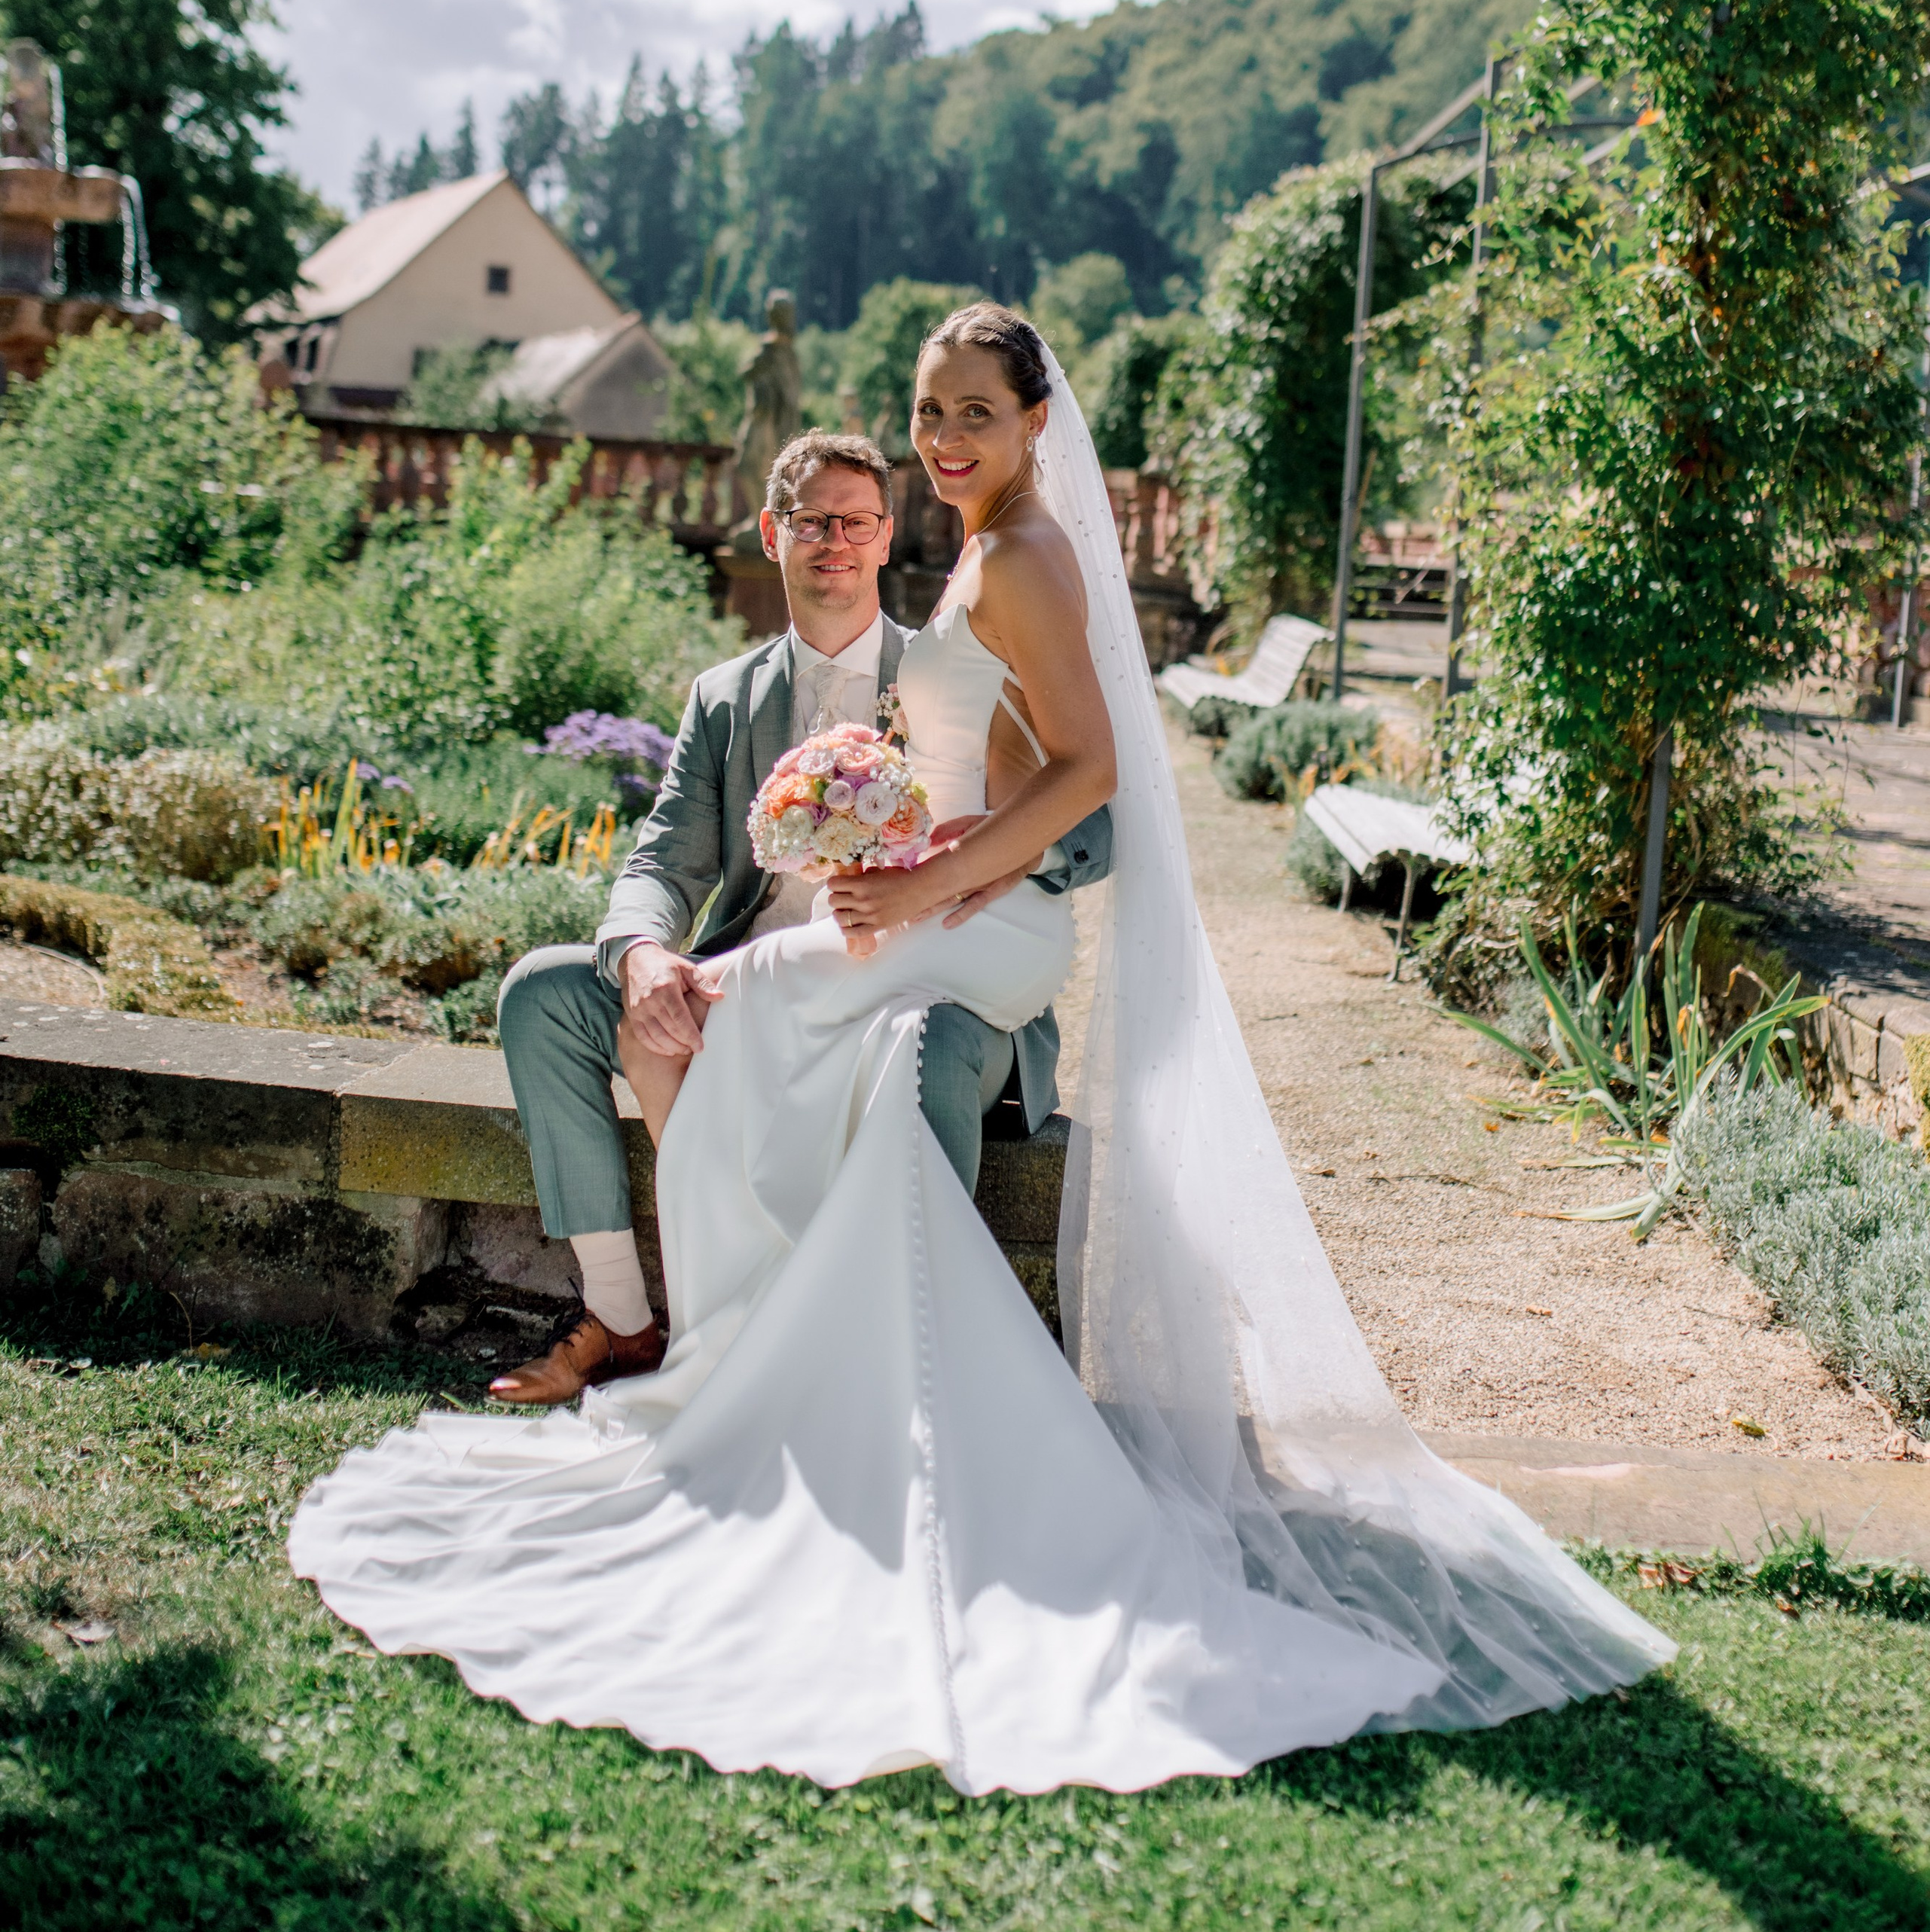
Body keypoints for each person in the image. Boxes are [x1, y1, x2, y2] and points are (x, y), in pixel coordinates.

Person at [289, 304, 1673, 1793]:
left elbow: (1087, 770)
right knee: (737, 1027)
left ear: (1032, 422)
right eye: (929, 413)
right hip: (948, 900)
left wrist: (936, 879)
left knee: (737, 1018)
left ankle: (742, 1369)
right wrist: (937, 837)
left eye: (974, 415)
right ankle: (753, 1359)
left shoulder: (1021, 553)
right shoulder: (977, 552)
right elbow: (1002, 759)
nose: (947, 438)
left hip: (981, 935)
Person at [480, 426, 1112, 1406]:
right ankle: (624, 1318)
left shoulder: (957, 664)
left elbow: (1095, 829)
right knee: (547, 994)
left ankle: (912, 1365)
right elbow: (664, 858)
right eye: (811, 521)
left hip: (932, 978)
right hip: (757, 979)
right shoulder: (723, 699)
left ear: (889, 538)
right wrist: (643, 951)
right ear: (772, 535)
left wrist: (1014, 846)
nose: (836, 541)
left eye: (857, 521)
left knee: (923, 1045)